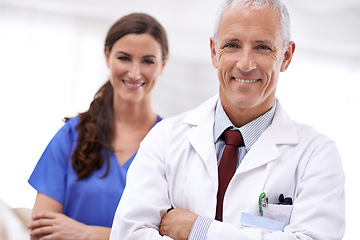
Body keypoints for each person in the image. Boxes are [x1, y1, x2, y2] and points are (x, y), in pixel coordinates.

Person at [109, 0, 345, 239]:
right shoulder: (164, 139)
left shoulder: (317, 155)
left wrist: (199, 231)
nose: (245, 64)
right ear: (214, 52)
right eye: (232, 45)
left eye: (262, 47)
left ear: (286, 56)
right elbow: (128, 234)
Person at [27, 12, 169, 240]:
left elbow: (172, 235)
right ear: (107, 56)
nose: (135, 72)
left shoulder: (171, 144)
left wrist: (88, 234)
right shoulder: (73, 135)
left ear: (163, 64)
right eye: (124, 58)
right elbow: (42, 232)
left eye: (148, 61)